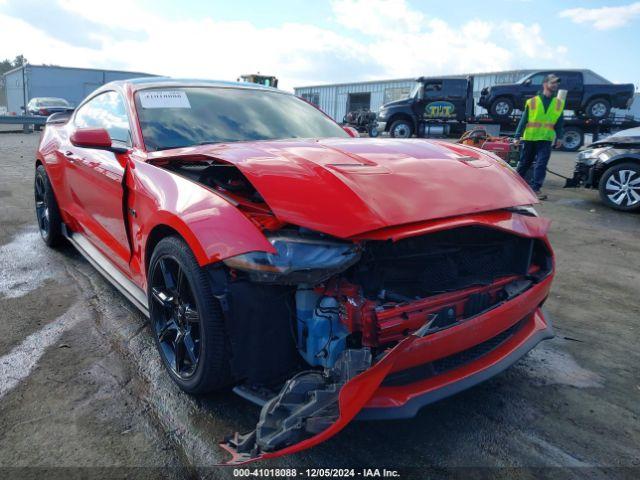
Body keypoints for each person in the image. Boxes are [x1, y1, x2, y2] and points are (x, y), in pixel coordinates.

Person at [514, 74, 565, 200]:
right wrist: (517, 136)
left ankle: (535, 189)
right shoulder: (532, 102)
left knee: (541, 164)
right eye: (552, 82)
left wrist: (560, 137)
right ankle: (513, 185)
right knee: (524, 163)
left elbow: (559, 122)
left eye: (556, 83)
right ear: (545, 84)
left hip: (545, 139)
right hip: (530, 138)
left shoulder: (558, 103)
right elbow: (524, 120)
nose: (555, 85)